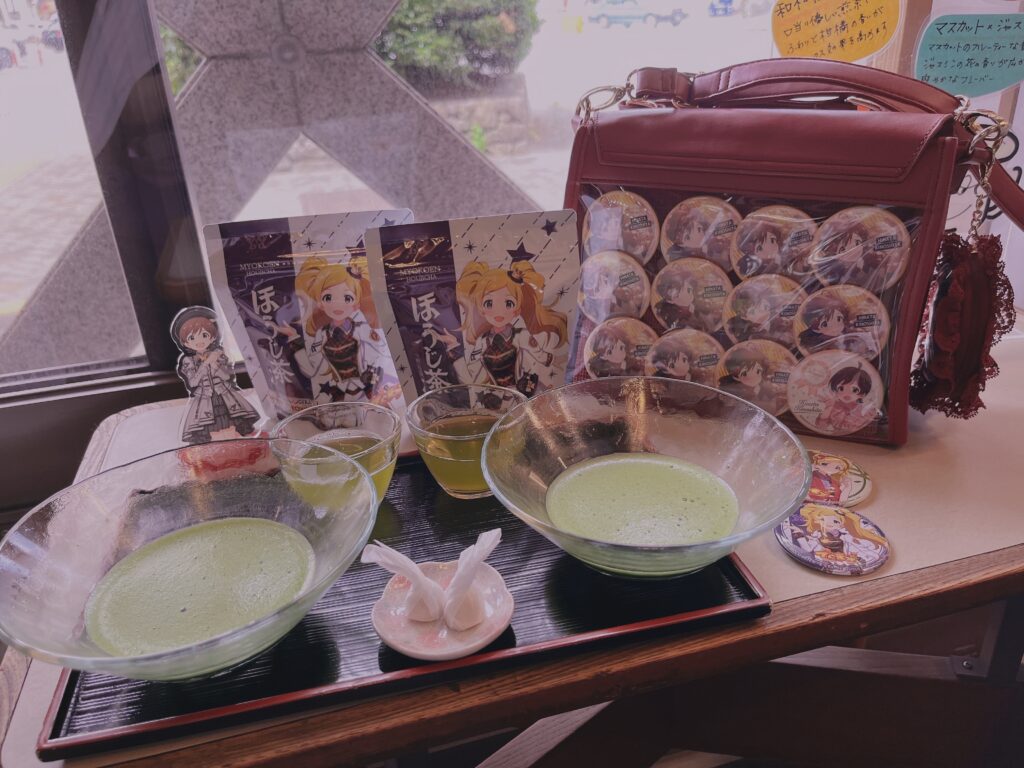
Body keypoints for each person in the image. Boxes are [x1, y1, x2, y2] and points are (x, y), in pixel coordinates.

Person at [272, 258, 388, 403]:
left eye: (347, 298)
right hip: (337, 390)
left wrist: (371, 374)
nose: (337, 304)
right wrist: (295, 339)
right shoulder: (322, 334)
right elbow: (314, 366)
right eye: (328, 297)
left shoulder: (361, 327)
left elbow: (379, 351)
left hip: (366, 388)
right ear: (320, 303)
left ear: (356, 304)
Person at [455, 261, 568, 396]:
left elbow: (542, 357)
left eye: (508, 303)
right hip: (495, 399)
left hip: (522, 394)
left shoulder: (521, 336)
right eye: (489, 303)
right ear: (481, 309)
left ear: (517, 310)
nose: (499, 311)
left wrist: (558, 362)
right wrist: (453, 353)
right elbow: (472, 377)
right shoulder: (482, 342)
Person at [172, 307, 260, 445]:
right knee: (207, 428)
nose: (199, 341)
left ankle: (238, 443)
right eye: (192, 338)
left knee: (235, 422)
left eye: (204, 335)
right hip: (204, 397)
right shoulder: (188, 361)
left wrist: (214, 363)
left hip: (224, 393)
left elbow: (226, 377)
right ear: (185, 342)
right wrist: (206, 363)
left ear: (213, 337)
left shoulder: (219, 355)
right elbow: (193, 382)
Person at [789, 504, 886, 569]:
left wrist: (872, 558)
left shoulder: (848, 537)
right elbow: (807, 549)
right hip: (827, 563)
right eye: (823, 520)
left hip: (853, 564)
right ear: (817, 521)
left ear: (841, 524)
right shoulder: (817, 535)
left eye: (835, 521)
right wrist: (800, 535)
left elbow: (867, 552)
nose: (829, 524)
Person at [727, 281, 792, 346]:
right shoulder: (750, 335)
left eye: (763, 304)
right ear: (744, 317)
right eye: (753, 310)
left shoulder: (779, 320)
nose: (762, 310)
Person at [815, 365, 876, 434]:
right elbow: (821, 426)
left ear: (863, 394)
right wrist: (828, 408)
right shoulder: (834, 407)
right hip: (834, 438)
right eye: (841, 388)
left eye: (854, 390)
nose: (846, 393)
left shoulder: (865, 412)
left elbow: (867, 431)